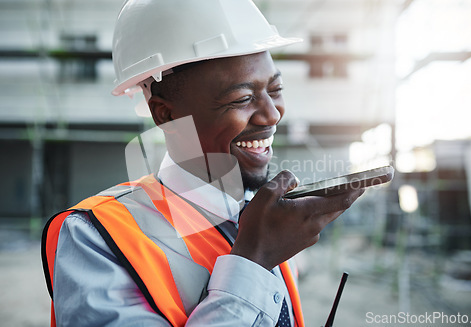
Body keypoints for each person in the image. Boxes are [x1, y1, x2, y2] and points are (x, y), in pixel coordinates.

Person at [41, 0, 365, 326]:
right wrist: (252, 262)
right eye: (242, 99)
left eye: (275, 89)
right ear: (166, 114)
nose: (272, 114)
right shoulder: (96, 238)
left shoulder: (267, 217)